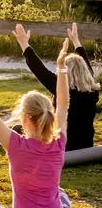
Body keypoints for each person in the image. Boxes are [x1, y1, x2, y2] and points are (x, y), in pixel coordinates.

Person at [0, 42, 72, 208]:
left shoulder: (16, 145)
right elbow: (64, 104)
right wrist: (61, 67)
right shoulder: (59, 142)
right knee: (61, 194)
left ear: (24, 118)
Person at [13, 22, 99, 153]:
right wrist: (76, 42)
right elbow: (87, 68)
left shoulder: (62, 89)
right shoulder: (93, 92)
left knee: (17, 129)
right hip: (86, 145)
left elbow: (39, 69)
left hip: (62, 145)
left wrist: (24, 44)